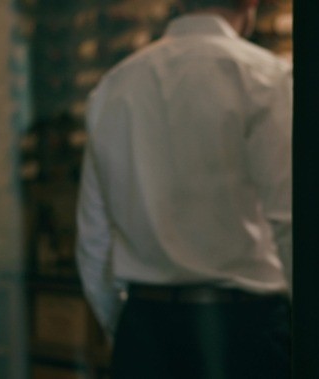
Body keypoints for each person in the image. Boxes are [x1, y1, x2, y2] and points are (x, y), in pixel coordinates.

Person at [74, 0, 292, 377]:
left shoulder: (115, 84)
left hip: (145, 326)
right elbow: (289, 217)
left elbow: (93, 236)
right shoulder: (264, 77)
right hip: (244, 327)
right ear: (251, 5)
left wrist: (123, 327)